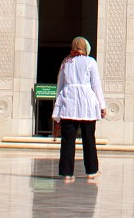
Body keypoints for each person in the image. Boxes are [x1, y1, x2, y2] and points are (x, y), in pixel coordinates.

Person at [52, 36, 107, 182]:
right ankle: (91, 171)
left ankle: (67, 173)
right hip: (86, 105)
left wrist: (57, 106)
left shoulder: (66, 62)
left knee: (67, 140)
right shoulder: (90, 62)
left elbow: (60, 85)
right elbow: (96, 85)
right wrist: (102, 105)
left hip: (68, 104)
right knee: (89, 138)